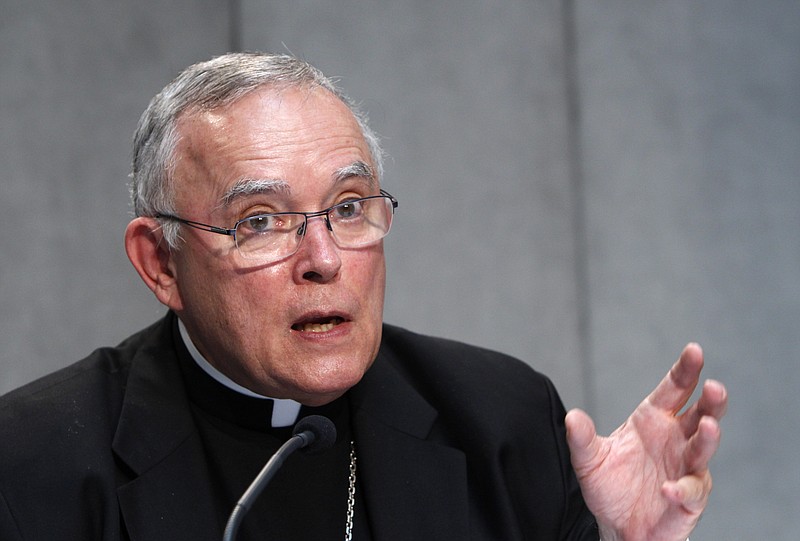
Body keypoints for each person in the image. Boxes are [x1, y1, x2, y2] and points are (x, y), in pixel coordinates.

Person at [0, 52, 727, 541]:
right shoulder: (32, 464)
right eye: (261, 221)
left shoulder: (501, 423)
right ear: (160, 262)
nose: (322, 259)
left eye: (349, 208)